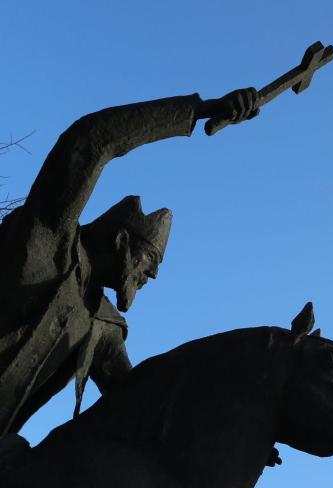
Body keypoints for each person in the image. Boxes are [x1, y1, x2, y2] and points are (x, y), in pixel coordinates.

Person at [0, 88, 259, 435]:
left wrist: (234, 432)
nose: (152, 274)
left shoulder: (101, 324)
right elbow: (92, 139)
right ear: (121, 241)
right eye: (149, 257)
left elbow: (137, 401)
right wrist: (198, 111)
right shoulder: (49, 237)